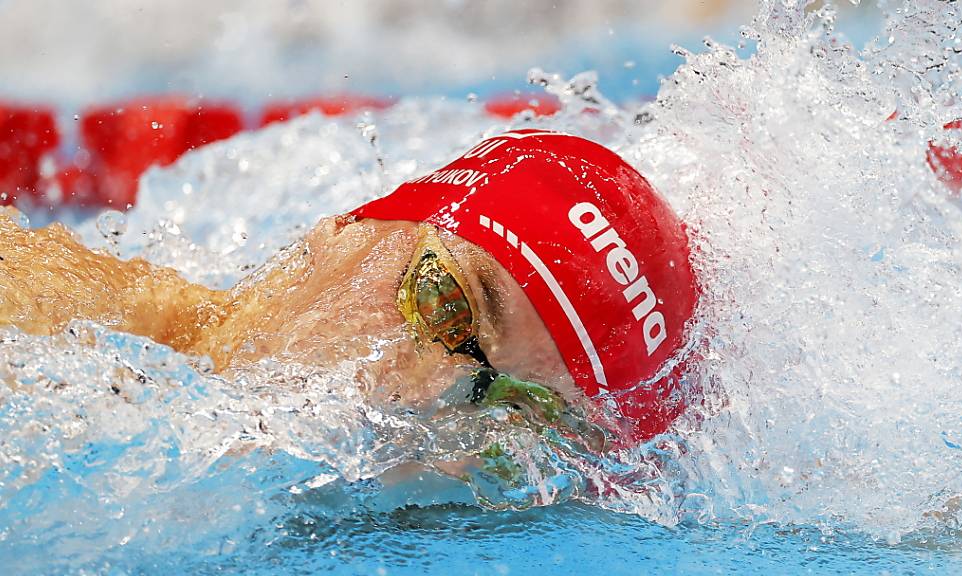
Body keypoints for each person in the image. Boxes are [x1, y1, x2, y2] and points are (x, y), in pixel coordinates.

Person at [0, 130, 698, 445]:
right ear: (341, 232)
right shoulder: (40, 325)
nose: (424, 395)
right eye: (442, 302)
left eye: (502, 403)